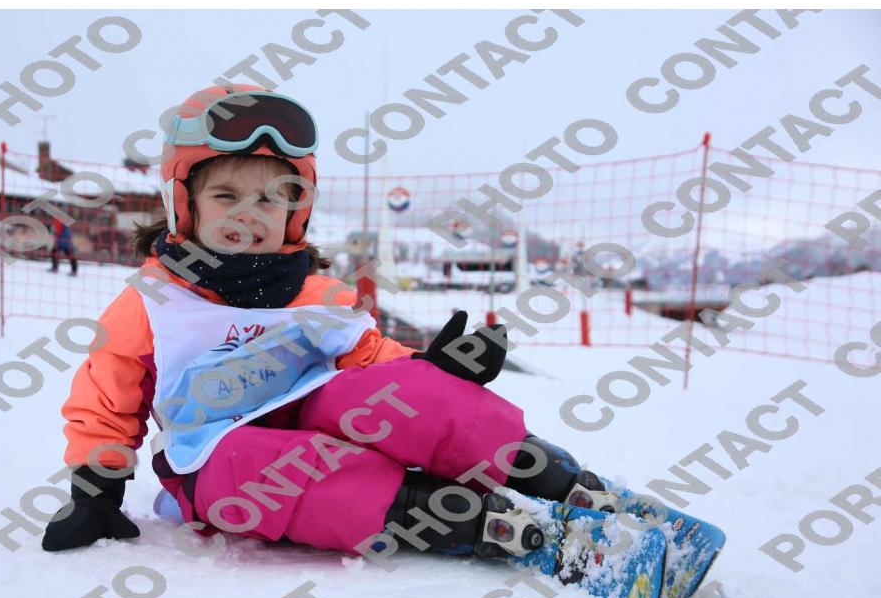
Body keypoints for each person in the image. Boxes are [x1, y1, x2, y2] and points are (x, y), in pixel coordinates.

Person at [42, 85, 605, 556]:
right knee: (251, 464)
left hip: (316, 421)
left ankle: (552, 479)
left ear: (296, 212)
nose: (248, 213)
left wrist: (434, 367)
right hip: (209, 455)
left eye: (269, 200)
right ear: (184, 205)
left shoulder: (317, 296)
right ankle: (450, 516)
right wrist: (95, 494)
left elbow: (371, 360)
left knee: (403, 392)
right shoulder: (154, 303)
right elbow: (107, 399)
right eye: (226, 195)